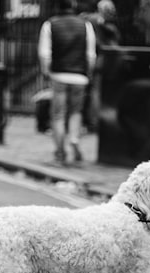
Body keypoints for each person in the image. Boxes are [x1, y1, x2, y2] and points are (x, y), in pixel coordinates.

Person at [39, 0, 96, 166]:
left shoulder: (50, 24)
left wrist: (46, 72)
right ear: (73, 7)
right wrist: (88, 73)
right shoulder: (85, 25)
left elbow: (45, 54)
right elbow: (90, 55)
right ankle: (74, 138)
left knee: (58, 115)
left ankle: (60, 152)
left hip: (58, 75)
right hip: (80, 76)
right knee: (75, 112)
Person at [81, 0, 120, 132]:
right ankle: (94, 122)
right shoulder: (101, 22)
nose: (112, 13)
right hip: (101, 60)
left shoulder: (92, 20)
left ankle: (92, 121)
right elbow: (110, 44)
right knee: (96, 92)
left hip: (95, 60)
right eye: (110, 10)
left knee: (94, 91)